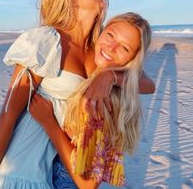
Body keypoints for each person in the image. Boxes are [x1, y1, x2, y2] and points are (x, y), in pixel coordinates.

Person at [0, 0, 154, 189]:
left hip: (62, 171)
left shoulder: (100, 48)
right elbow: (8, 115)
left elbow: (147, 83)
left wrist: (109, 77)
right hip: (24, 170)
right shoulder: (46, 41)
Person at [30, 12, 152, 188]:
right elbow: (150, 84)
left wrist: (49, 122)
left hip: (65, 181)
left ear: (132, 60)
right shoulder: (103, 78)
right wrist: (110, 76)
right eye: (110, 35)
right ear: (101, 32)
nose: (111, 48)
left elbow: (88, 184)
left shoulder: (100, 102)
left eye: (125, 48)